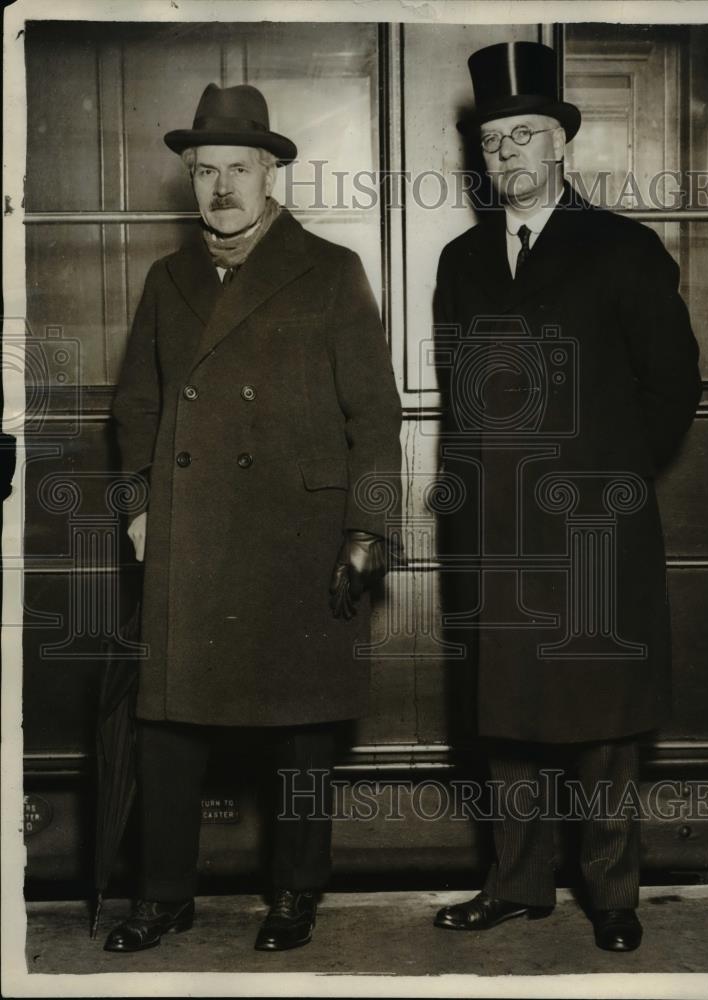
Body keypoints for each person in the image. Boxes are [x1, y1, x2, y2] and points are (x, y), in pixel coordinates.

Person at [106, 83, 402, 953]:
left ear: (271, 174)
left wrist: (366, 530)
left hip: (297, 530)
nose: (221, 187)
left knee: (301, 724)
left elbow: (375, 418)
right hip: (190, 529)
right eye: (205, 171)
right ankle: (164, 896)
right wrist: (139, 510)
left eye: (238, 168)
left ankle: (295, 891)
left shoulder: (330, 267)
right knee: (167, 723)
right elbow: (134, 408)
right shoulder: (169, 279)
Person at [432, 42, 701, 952]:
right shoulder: (463, 259)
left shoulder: (622, 248)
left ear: (560, 148)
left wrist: (613, 483)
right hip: (498, 531)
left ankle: (613, 894)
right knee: (506, 714)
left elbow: (672, 387)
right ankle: (515, 885)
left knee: (602, 721)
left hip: (593, 527)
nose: (505, 156)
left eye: (523, 138)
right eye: (493, 141)